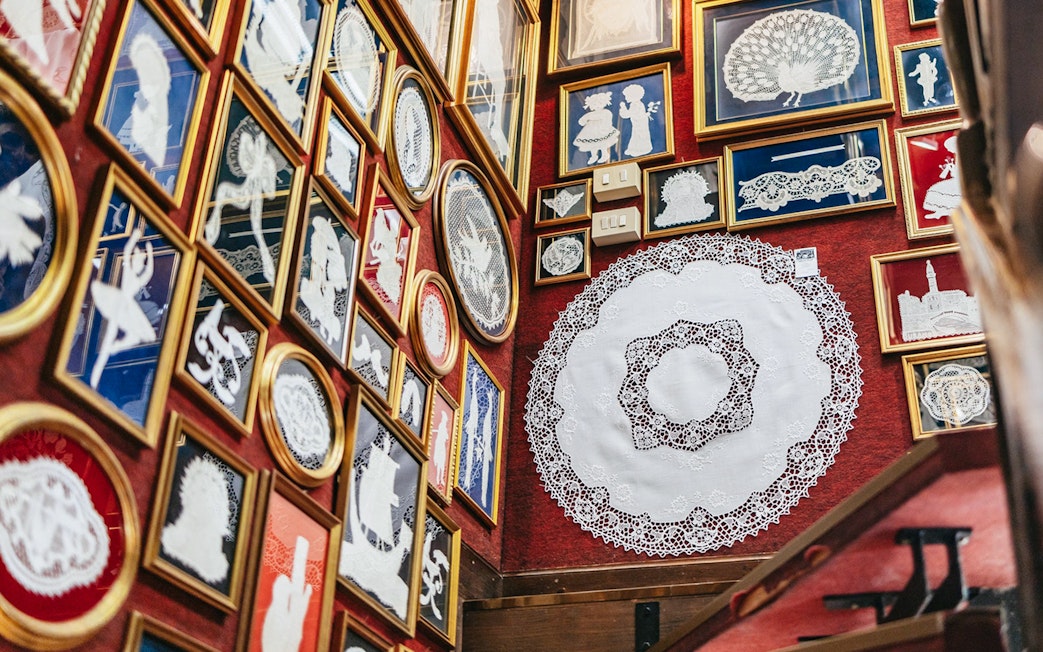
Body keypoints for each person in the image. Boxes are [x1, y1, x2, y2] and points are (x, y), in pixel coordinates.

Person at [573, 91, 619, 165]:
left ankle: (604, 154)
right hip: (592, 132)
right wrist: (583, 121)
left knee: (603, 144)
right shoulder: (591, 114)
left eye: (599, 104)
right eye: (595, 104)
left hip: (602, 131)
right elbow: (582, 120)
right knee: (592, 145)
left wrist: (606, 126)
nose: (597, 106)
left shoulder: (606, 112)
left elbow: (608, 119)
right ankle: (594, 156)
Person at [619, 84, 656, 157]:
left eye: (626, 96)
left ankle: (640, 149)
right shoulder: (636, 104)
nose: (626, 98)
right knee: (636, 135)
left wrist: (622, 107)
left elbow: (627, 115)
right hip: (638, 123)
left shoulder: (636, 105)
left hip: (639, 124)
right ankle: (633, 149)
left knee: (639, 136)